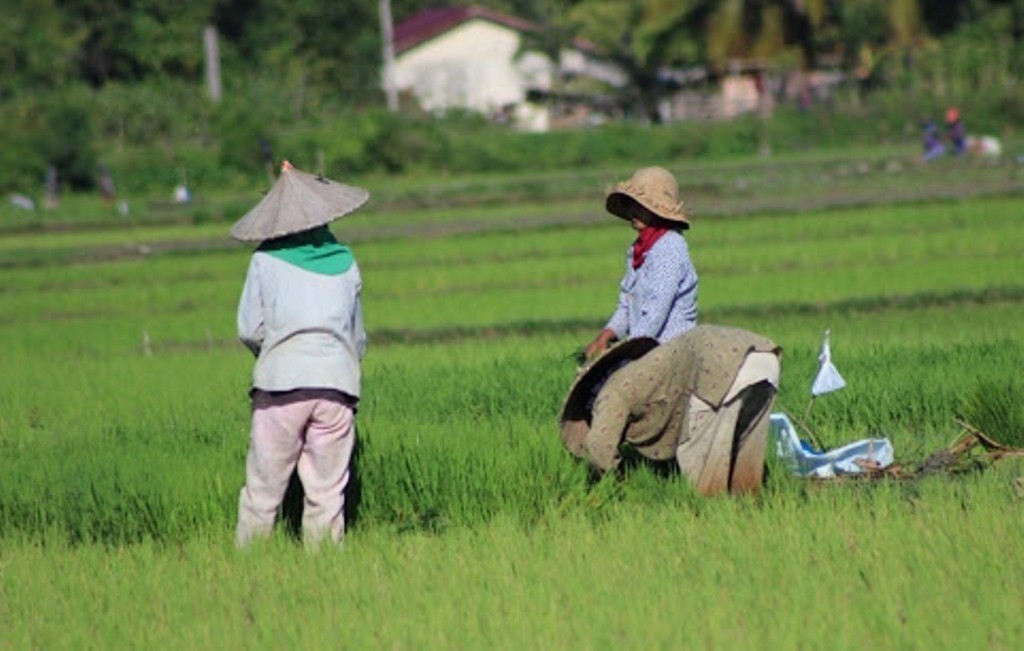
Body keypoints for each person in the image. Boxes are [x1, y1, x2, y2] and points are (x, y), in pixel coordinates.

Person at [231, 160, 369, 548]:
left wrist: (276, 355)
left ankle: (248, 566)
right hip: (338, 387)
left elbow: (249, 329)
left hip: (281, 386)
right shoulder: (346, 260)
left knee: (263, 492)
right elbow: (358, 339)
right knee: (327, 495)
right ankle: (325, 571)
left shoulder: (264, 260)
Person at [560, 325, 781, 496]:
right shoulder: (644, 368)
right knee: (745, 464)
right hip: (764, 358)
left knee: (701, 470)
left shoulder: (610, 392)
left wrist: (609, 484)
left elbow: (600, 445)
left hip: (718, 368)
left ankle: (713, 522)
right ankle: (748, 519)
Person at [585, 166, 698, 360]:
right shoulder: (638, 250)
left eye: (642, 206)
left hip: (671, 350)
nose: (633, 211)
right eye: (631, 205)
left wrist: (622, 354)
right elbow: (627, 306)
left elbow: (655, 314)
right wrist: (606, 336)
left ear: (658, 210)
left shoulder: (669, 248)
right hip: (644, 347)